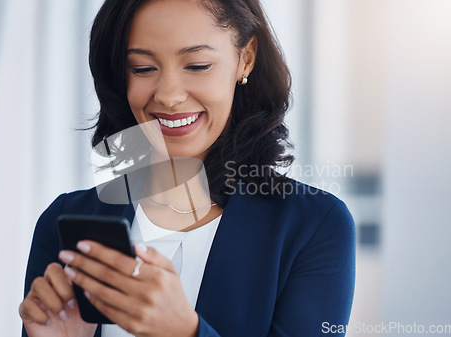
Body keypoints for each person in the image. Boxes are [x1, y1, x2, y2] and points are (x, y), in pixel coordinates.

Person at [19, 0, 356, 336]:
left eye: (196, 65)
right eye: (142, 68)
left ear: (246, 58)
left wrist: (184, 331)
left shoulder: (314, 227)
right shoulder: (65, 223)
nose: (168, 95)